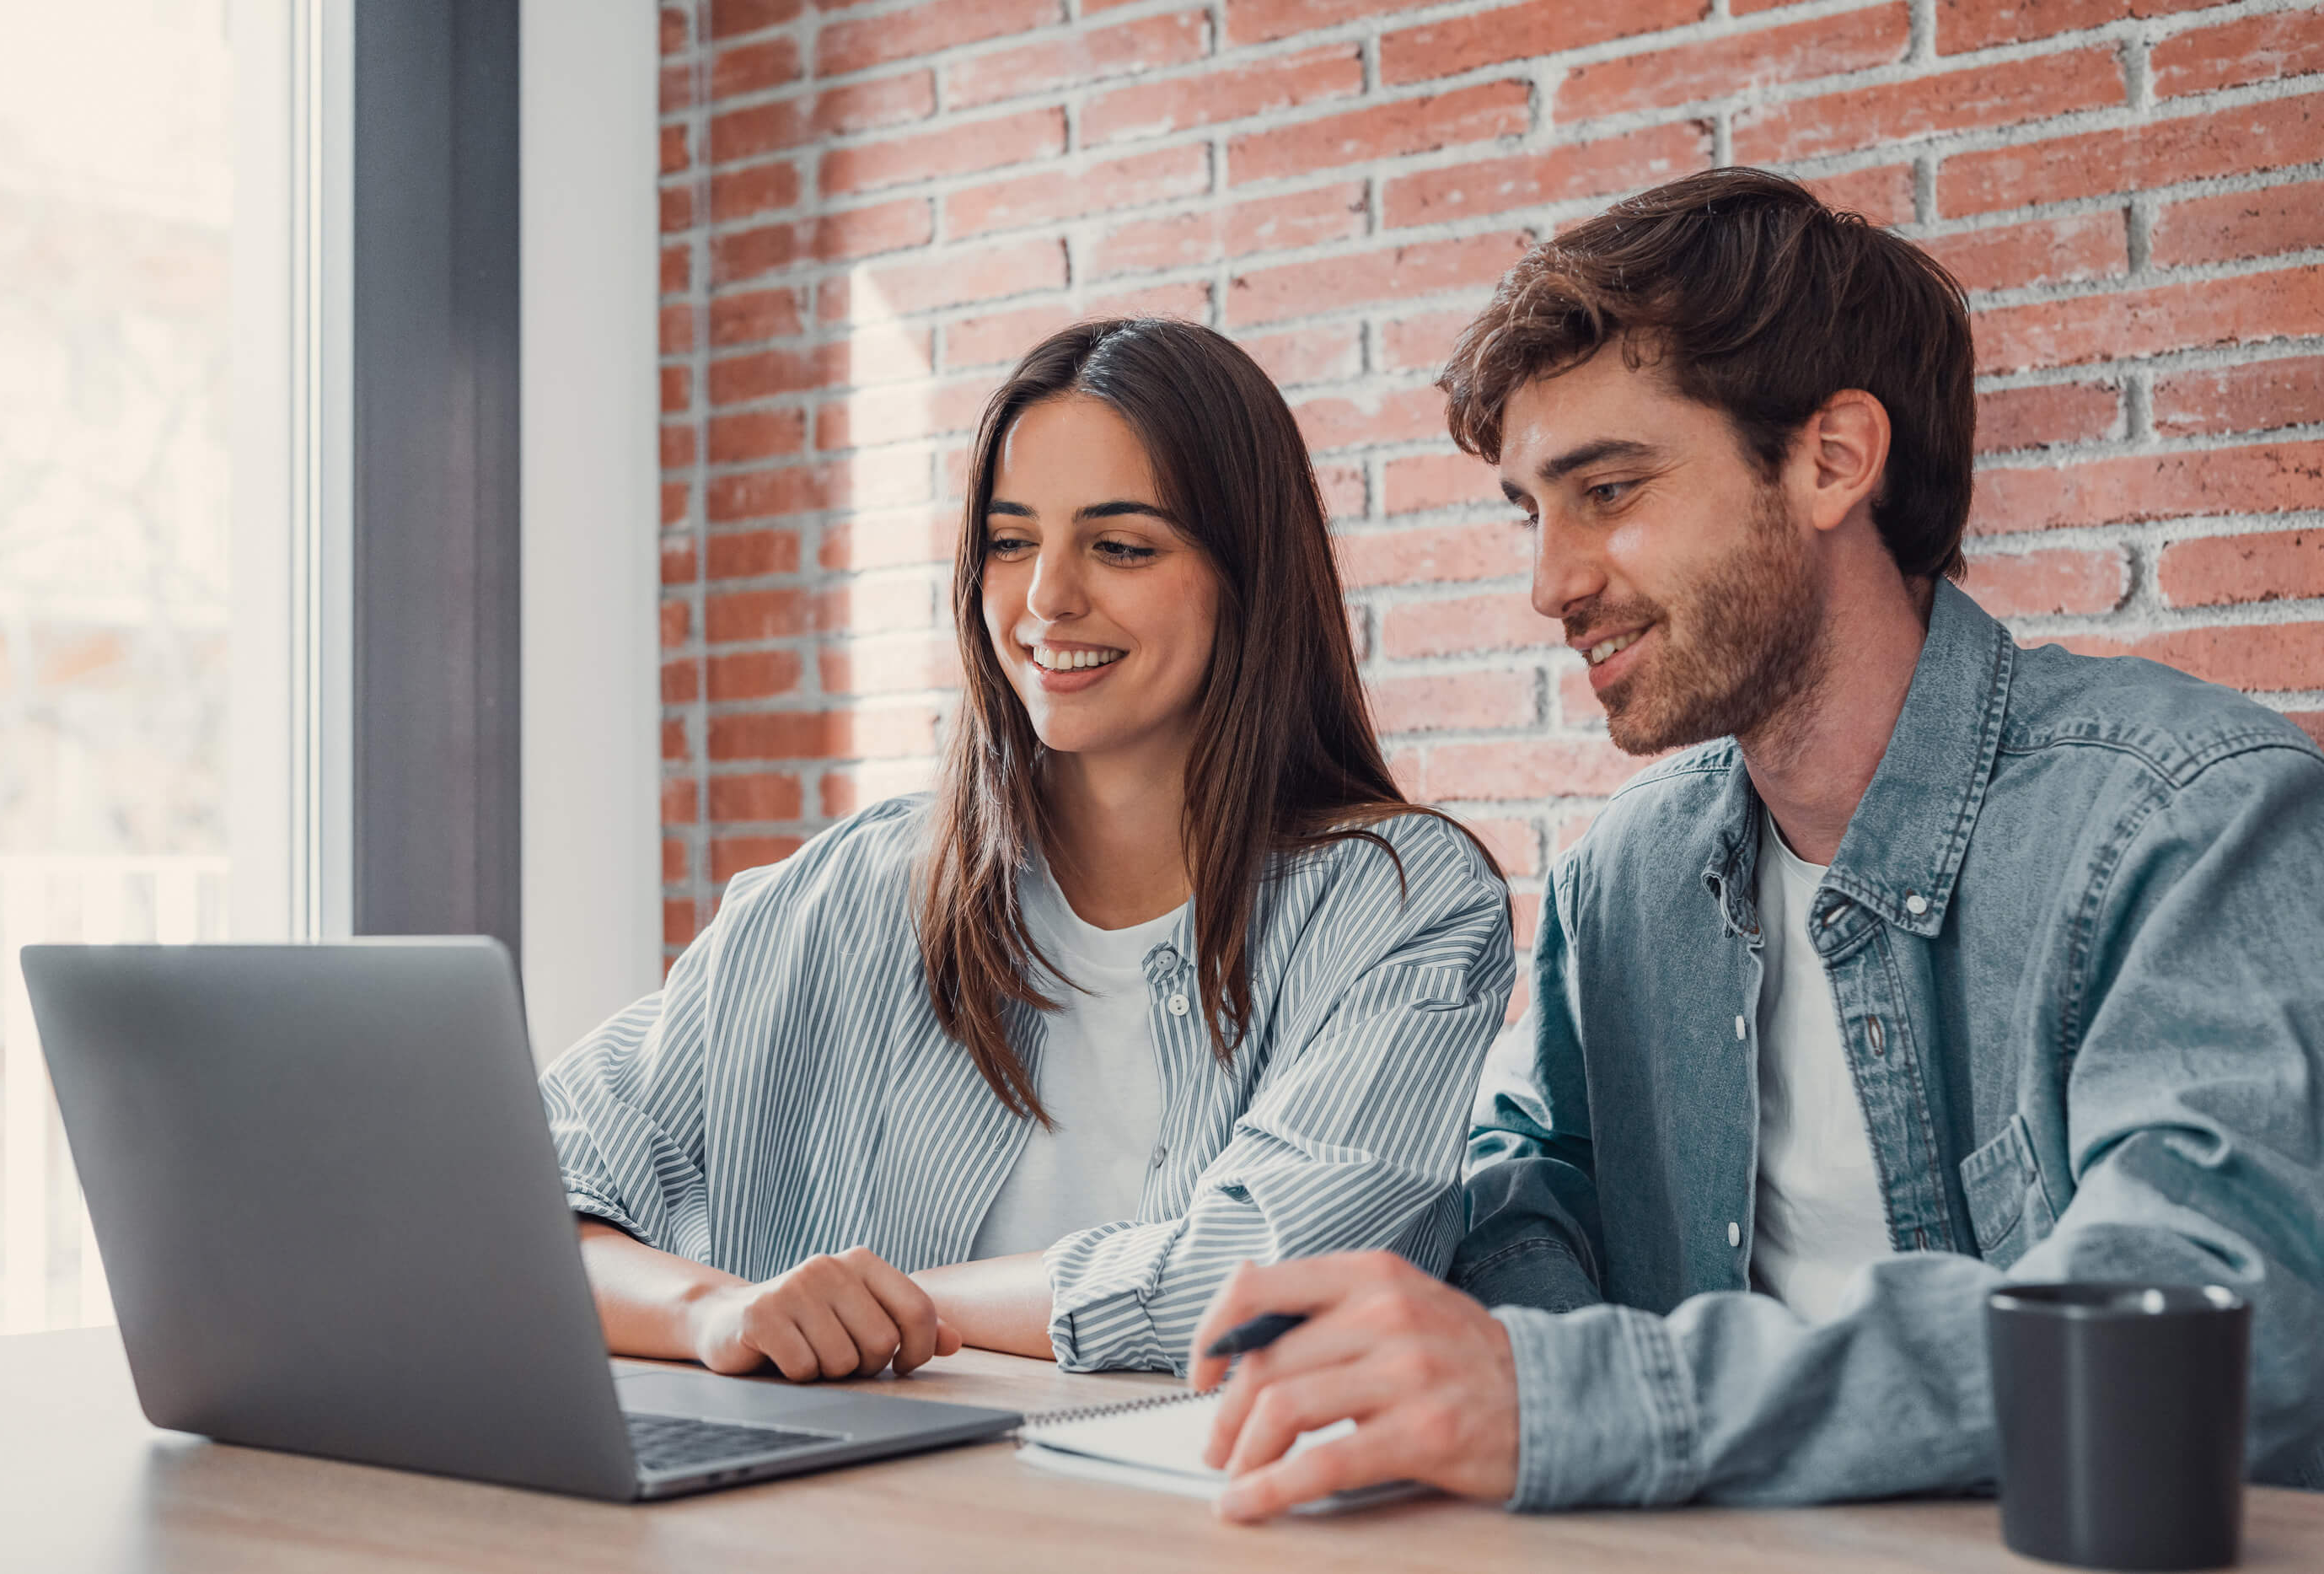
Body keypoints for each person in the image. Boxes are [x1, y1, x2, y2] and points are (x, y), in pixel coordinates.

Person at [1184, 167, 2324, 1516]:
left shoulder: (2192, 816)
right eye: (1529, 512)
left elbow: (2203, 1319)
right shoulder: (1630, 877)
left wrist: (1581, 1398)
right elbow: (1528, 1185)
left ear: (1834, 457)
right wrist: (1505, 1364)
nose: (1550, 581)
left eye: (1608, 488)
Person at [540, 318, 1512, 1383]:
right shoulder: (856, 887)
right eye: (1010, 542)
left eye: (1121, 545)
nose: (1047, 597)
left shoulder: (1397, 904)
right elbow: (527, 1180)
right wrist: (711, 1314)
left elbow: (1269, 1282)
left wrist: (901, 1309)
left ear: (1248, 577)